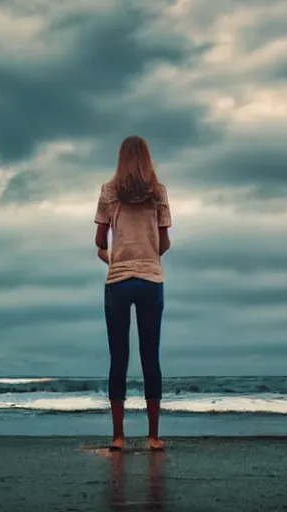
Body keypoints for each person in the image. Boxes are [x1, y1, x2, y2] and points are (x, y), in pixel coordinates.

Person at [94, 135, 172, 452]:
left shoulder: (109, 191)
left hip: (118, 281)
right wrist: (148, 257)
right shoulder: (159, 193)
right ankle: (153, 437)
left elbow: (99, 242)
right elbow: (165, 243)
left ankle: (118, 437)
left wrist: (114, 258)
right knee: (150, 356)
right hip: (151, 280)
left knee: (119, 357)